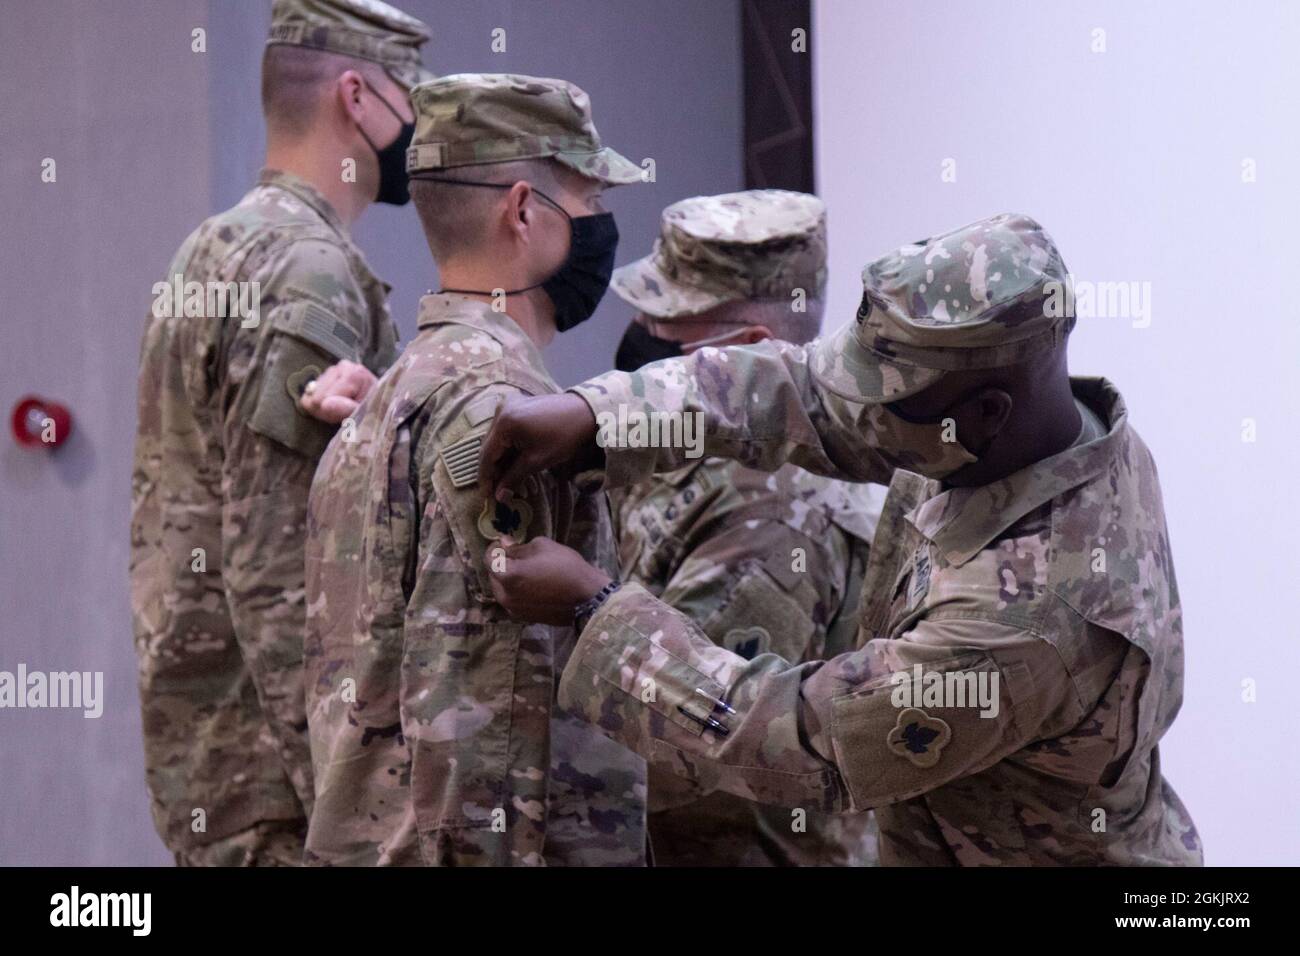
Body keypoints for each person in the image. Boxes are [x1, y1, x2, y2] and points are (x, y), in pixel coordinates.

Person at [479, 212, 1203, 865]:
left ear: (986, 412)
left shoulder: (1028, 616)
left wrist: (595, 613)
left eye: (885, 408)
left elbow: (805, 740)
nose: (861, 418)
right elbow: (802, 394)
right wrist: (603, 412)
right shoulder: (1023, 431)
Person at [302, 73, 649, 866]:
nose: (604, 229)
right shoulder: (507, 418)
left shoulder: (386, 398)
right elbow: (490, 744)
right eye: (592, 200)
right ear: (525, 210)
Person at [130, 0, 433, 866]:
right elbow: (282, 571)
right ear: (358, 98)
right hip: (288, 798)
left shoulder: (208, 251)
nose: (419, 127)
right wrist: (356, 816)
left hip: (217, 763)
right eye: (410, 97)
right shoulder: (311, 271)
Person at [607, 189, 882, 866]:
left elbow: (678, 743)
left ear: (751, 352)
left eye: (668, 325)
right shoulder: (687, 452)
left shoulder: (773, 512)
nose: (644, 336)